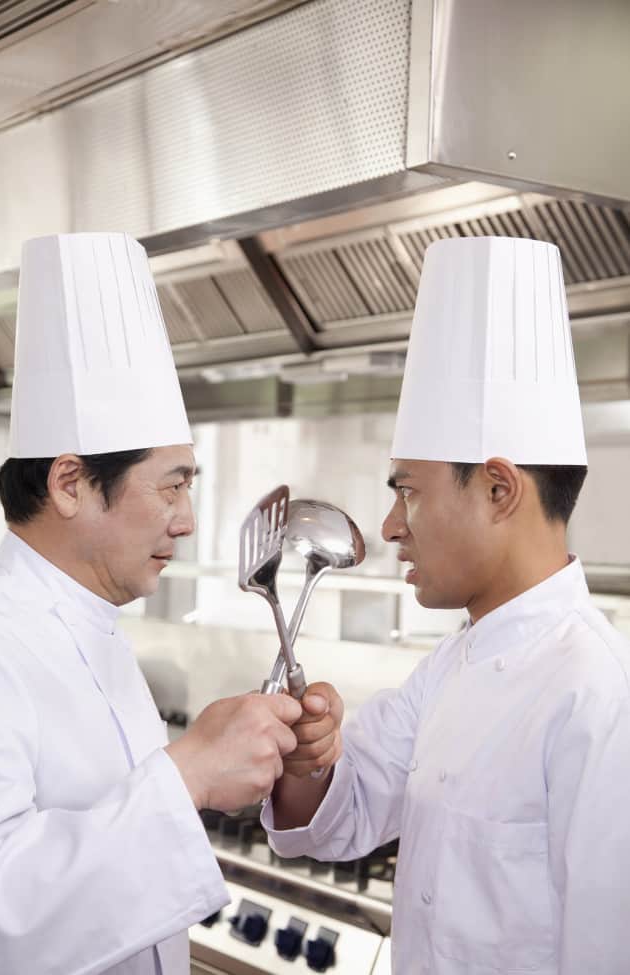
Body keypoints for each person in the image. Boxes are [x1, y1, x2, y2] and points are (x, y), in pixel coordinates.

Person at [264, 236, 630, 974]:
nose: (392, 526)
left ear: (500, 490)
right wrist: (308, 754)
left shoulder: (602, 696)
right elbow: (340, 814)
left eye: (409, 492)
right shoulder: (450, 667)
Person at [0, 232, 302, 975]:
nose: (186, 520)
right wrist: (189, 773)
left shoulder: (98, 627)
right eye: (171, 485)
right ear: (69, 483)